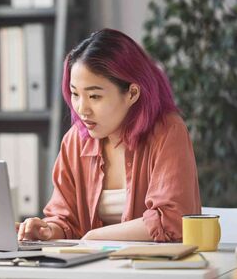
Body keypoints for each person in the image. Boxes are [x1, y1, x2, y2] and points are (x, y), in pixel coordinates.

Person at [17, 28, 201, 242]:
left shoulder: (168, 131)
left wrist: (95, 237)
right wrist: (48, 230)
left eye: (94, 96)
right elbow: (65, 219)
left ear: (132, 93)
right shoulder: (75, 140)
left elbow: (172, 220)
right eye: (75, 94)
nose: (81, 109)